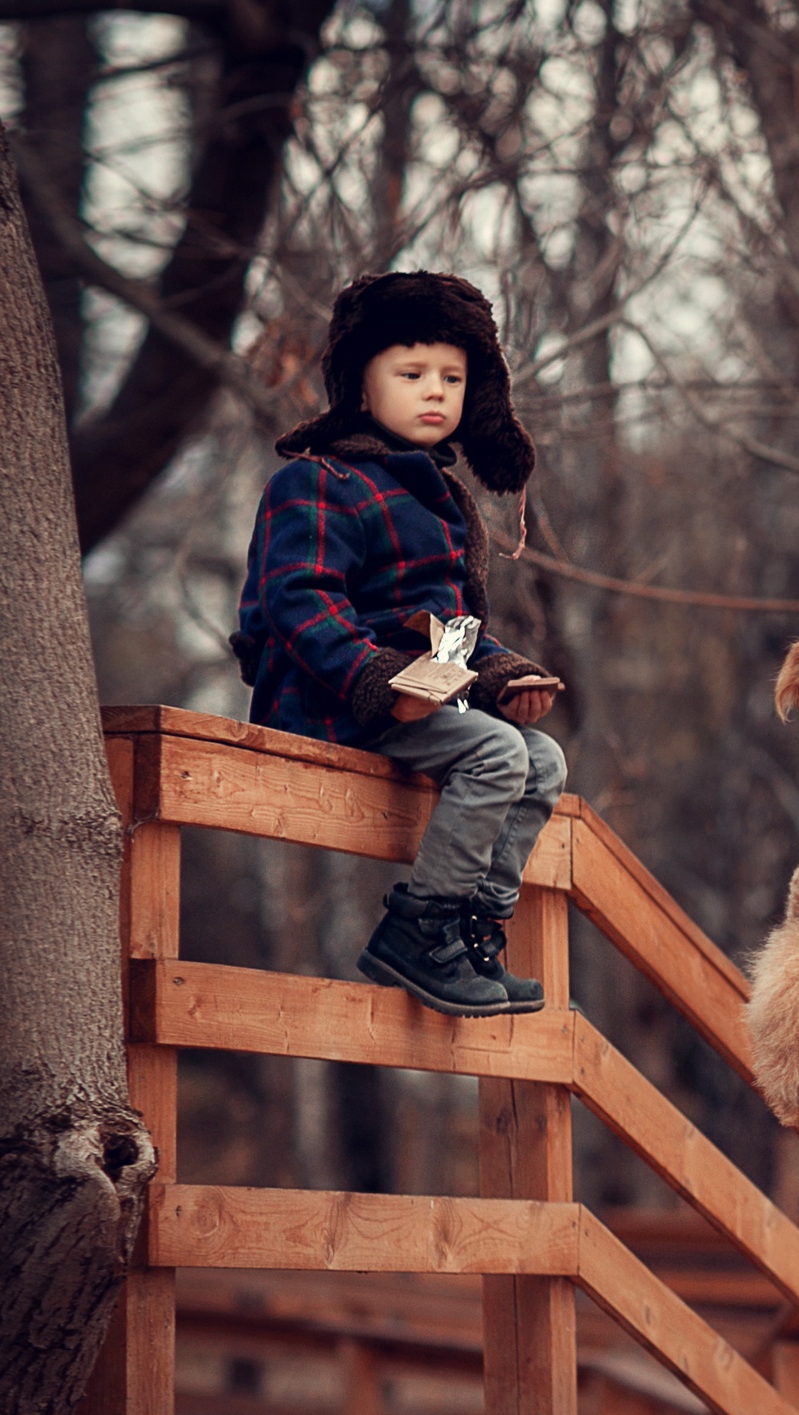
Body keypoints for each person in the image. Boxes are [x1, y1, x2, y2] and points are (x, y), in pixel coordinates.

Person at [232, 272, 565, 1017]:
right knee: (497, 753)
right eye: (411, 374)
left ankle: (471, 927)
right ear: (360, 384)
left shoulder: (436, 498)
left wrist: (500, 676)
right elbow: (299, 600)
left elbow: (447, 627)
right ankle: (419, 928)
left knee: (543, 757)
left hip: (412, 705)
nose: (435, 392)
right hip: (326, 701)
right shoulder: (317, 483)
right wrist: (381, 679)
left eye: (452, 377)